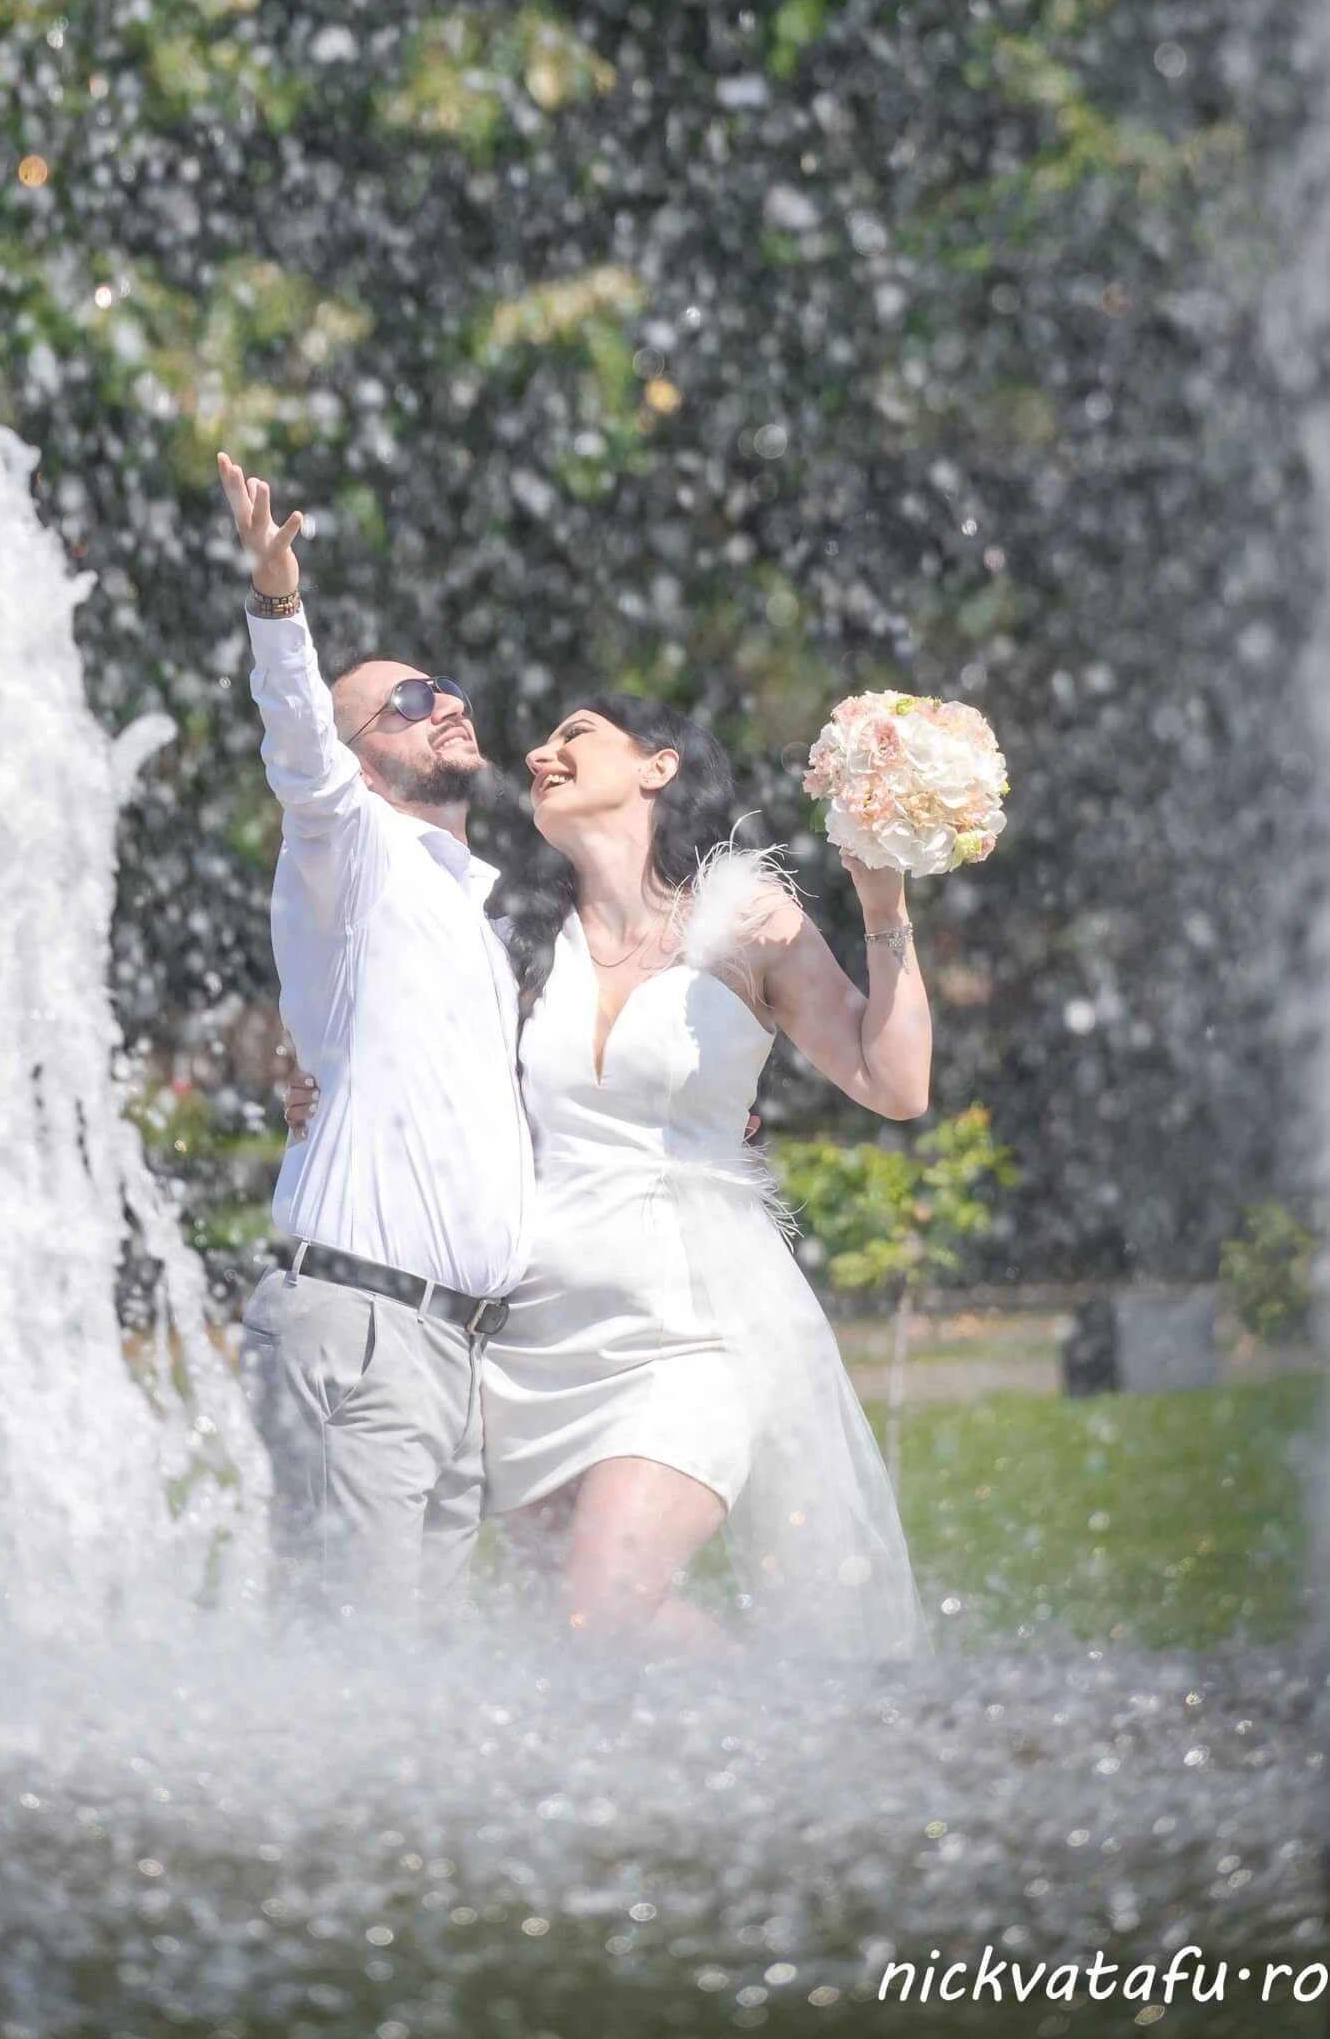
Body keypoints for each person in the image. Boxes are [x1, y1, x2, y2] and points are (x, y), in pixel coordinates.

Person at [290, 689, 935, 1659]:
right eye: (544, 740)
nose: (542, 752)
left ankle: (809, 1736)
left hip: (688, 1328)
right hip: (525, 1342)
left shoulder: (748, 920)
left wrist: (885, 910)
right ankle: (757, 1757)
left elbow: (894, 1082)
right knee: (574, 1643)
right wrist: (325, 1096)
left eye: (574, 736)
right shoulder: (505, 940)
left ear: (657, 766)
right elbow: (411, 1082)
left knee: (601, 1607)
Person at [215, 451, 533, 1625]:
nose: (444, 701)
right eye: (407, 699)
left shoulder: (467, 904)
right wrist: (278, 603)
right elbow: (299, 750)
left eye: (443, 686)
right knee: (359, 1684)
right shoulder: (348, 851)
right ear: (359, 755)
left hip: (452, 1350)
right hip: (362, 1326)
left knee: (416, 1703)